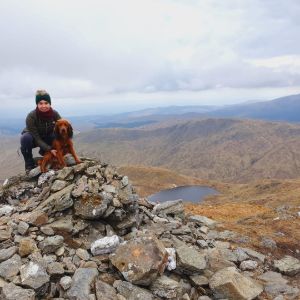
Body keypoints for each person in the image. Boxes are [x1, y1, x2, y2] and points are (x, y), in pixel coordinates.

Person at [20, 90, 61, 172]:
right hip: (34, 139)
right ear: (37, 104)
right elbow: (36, 138)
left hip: (47, 137)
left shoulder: (55, 114)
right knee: (25, 138)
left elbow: (63, 127)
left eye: (46, 103)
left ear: (50, 103)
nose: (43, 106)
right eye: (40, 103)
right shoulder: (31, 116)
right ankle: (29, 164)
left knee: (56, 135)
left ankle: (45, 154)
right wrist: (49, 149)